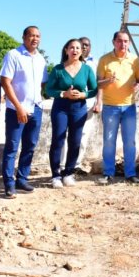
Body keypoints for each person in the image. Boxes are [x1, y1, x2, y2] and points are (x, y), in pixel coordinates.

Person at [0, 26, 48, 196]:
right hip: (16, 109)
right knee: (12, 146)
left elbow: (43, 84)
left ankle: (22, 179)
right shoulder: (14, 55)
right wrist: (19, 106)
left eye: (38, 36)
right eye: (31, 36)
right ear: (24, 37)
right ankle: (8, 183)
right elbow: (5, 81)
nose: (35, 39)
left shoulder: (41, 59)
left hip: (36, 108)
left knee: (30, 146)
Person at [46, 38, 97, 188]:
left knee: (75, 142)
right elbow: (49, 89)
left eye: (77, 48)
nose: (74, 50)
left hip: (79, 109)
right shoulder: (58, 69)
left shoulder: (87, 69)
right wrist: (63, 94)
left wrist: (83, 95)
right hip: (60, 108)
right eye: (71, 48)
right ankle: (55, 175)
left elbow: (94, 89)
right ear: (66, 50)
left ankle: (68, 173)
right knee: (58, 140)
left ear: (82, 51)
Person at [95, 30, 139, 185]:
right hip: (110, 107)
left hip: (129, 107)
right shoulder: (104, 60)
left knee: (130, 142)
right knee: (109, 141)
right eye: (119, 41)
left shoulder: (134, 60)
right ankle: (108, 173)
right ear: (113, 42)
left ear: (129, 43)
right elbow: (98, 83)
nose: (123, 44)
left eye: (125, 41)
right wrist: (108, 82)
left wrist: (138, 85)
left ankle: (130, 174)